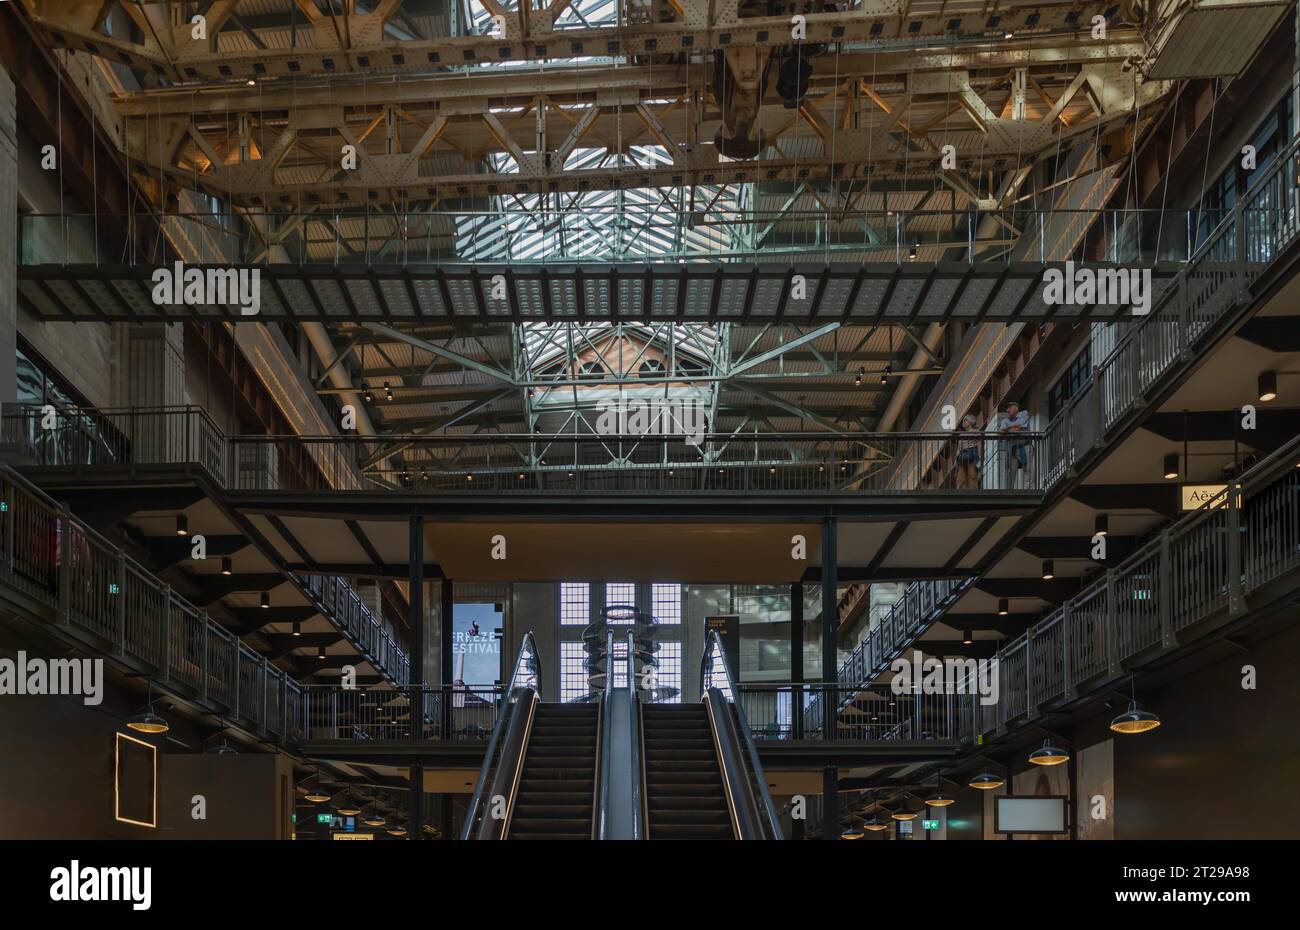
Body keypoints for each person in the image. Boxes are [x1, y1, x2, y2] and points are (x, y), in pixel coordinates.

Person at [999, 400, 1031, 485]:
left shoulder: (1024, 413)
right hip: (1013, 449)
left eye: (1009, 408)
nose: (1007, 410)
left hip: (1025, 446)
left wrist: (1007, 429)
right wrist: (1014, 427)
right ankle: (1009, 492)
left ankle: (1029, 490)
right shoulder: (1005, 420)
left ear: (1016, 408)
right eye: (1006, 409)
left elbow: (1019, 428)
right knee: (1011, 471)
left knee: (1027, 469)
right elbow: (1001, 432)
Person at [956, 413, 981, 489]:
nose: (963, 422)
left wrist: (980, 456)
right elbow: (959, 448)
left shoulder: (976, 432)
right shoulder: (961, 434)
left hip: (972, 454)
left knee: (972, 476)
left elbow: (979, 444)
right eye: (963, 420)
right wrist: (955, 462)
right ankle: (961, 495)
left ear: (971, 422)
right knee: (960, 477)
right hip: (962, 455)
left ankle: (973, 494)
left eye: (966, 420)